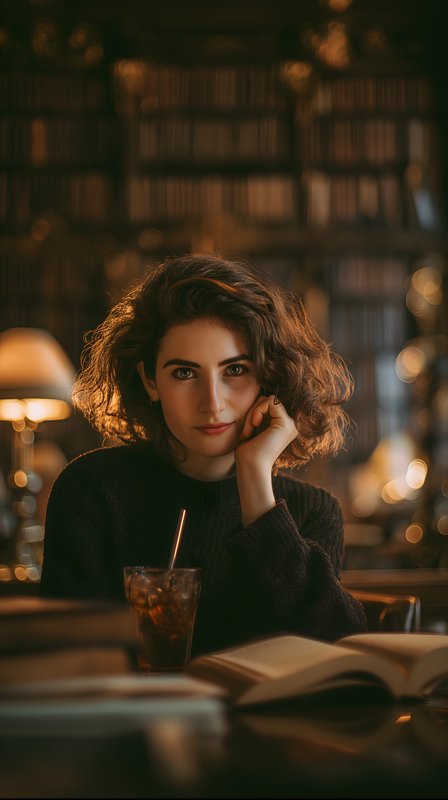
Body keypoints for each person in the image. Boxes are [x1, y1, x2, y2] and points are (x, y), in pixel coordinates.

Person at [40, 253, 367, 655]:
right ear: (150, 381)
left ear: (267, 376)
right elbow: (67, 655)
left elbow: (335, 649)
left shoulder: (313, 512)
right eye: (184, 373)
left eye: (235, 370)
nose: (212, 403)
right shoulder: (92, 490)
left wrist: (255, 481)